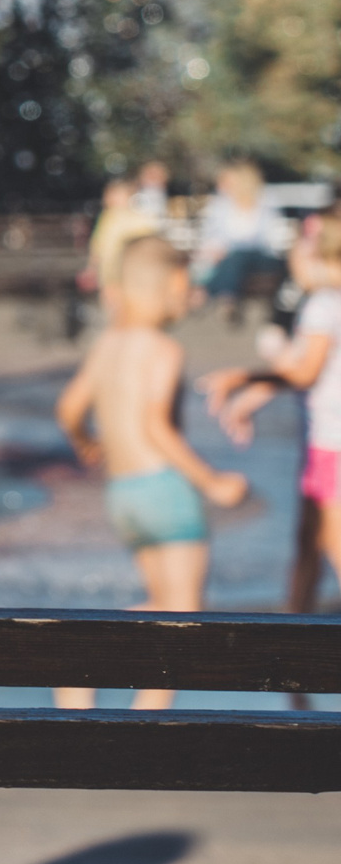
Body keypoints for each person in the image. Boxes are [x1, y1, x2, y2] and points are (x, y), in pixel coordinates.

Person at [54, 236, 246, 710]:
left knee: (164, 604)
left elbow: (69, 408)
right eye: (184, 289)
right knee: (184, 618)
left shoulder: (108, 344)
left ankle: (83, 664)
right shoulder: (162, 348)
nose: (190, 299)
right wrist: (211, 481)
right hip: (164, 490)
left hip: (124, 495)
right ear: (157, 290)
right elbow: (155, 425)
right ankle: (143, 721)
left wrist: (86, 441)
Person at [206, 215, 341, 702]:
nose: (293, 266)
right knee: (306, 546)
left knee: (330, 550)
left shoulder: (324, 304)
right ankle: (296, 666)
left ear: (322, 258)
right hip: (323, 445)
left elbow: (304, 373)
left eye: (298, 257)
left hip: (333, 449)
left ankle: (297, 669)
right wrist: (255, 393)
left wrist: (242, 377)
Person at [197, 161, 283, 319]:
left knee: (238, 254)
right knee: (232, 257)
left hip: (261, 256)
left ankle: (217, 295)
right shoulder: (220, 204)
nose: (221, 185)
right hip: (228, 256)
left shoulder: (266, 200)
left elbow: (271, 237)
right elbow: (212, 234)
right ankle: (224, 296)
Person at [84, 175, 161, 305]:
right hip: (108, 271)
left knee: (129, 302)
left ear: (130, 195)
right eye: (109, 195)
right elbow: (97, 245)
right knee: (110, 301)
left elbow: (149, 242)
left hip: (129, 272)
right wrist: (91, 267)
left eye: (117, 195)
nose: (112, 199)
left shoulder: (138, 218)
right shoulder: (106, 218)